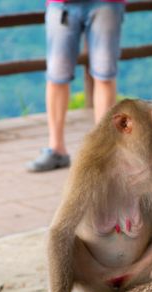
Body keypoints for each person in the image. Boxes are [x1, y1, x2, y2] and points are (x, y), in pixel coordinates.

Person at [26, 0, 125, 172]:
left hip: (105, 3)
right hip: (62, 5)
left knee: (104, 75)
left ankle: (104, 152)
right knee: (57, 75)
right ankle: (57, 149)